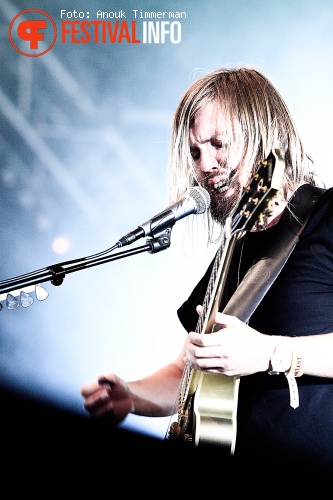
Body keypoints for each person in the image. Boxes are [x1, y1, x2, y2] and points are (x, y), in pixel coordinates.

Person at [80, 67, 333, 477]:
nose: (206, 165)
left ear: (268, 135)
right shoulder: (231, 252)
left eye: (219, 144)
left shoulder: (327, 217)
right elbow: (186, 373)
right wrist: (131, 396)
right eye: (196, 153)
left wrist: (273, 353)